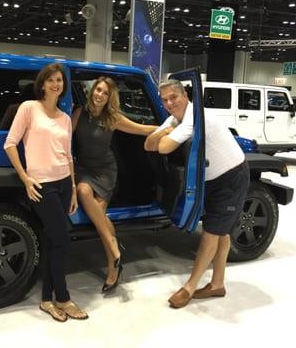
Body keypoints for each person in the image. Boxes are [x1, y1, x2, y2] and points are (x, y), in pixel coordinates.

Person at [144, 79, 250, 309]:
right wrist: (167, 131)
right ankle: (217, 284)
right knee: (221, 233)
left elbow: (162, 147)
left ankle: (190, 286)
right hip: (212, 179)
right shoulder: (176, 119)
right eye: (165, 100)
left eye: (174, 97)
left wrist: (166, 132)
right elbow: (148, 144)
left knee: (211, 234)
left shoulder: (193, 117)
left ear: (186, 96)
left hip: (231, 177)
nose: (169, 103)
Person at [4, 63, 88, 322]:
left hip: (63, 183)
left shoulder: (64, 118)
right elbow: (10, 143)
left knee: (55, 240)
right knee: (63, 236)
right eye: (51, 80)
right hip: (42, 185)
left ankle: (45, 300)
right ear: (42, 84)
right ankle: (62, 297)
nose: (56, 84)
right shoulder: (29, 108)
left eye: (60, 81)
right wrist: (26, 178)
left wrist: (73, 188)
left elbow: (68, 155)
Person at [72, 76, 157, 293]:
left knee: (99, 210)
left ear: (110, 97)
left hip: (105, 171)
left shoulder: (113, 118)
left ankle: (113, 267)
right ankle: (114, 247)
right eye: (98, 90)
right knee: (82, 190)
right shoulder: (80, 113)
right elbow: (63, 139)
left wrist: (173, 126)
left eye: (105, 93)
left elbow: (143, 129)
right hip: (84, 168)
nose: (100, 95)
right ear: (92, 92)